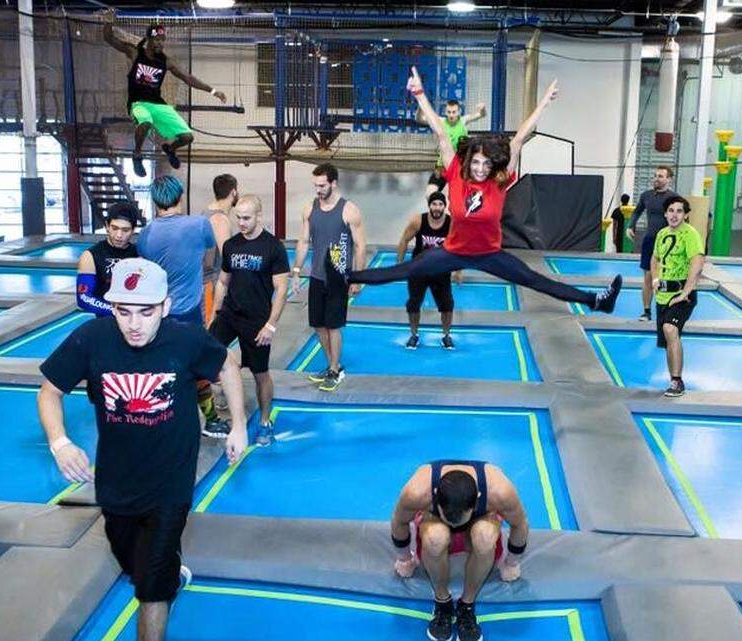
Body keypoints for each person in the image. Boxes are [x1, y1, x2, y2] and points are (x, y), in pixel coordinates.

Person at [38, 258, 247, 641]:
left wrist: (239, 426)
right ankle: (168, 570)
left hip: (170, 482)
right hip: (116, 480)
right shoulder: (91, 339)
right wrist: (60, 442)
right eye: (124, 311)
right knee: (132, 561)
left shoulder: (185, 340)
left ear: (165, 307)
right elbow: (50, 391)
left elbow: (228, 366)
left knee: (150, 591)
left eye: (145, 312)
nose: (134, 324)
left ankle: (162, 577)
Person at [333, 67, 622, 315]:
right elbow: (442, 135)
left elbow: (519, 139)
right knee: (407, 269)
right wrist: (420, 95)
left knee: (536, 280)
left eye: (486, 163)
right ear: (469, 162)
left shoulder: (499, 182)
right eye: (476, 162)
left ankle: (596, 301)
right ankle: (345, 277)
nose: (481, 168)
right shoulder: (457, 178)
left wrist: (544, 102)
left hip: (490, 254)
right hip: (453, 252)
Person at [391, 460, 529, 641]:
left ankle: (467, 605)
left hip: (479, 525)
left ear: (478, 498)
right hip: (434, 525)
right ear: (434, 496)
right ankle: (442, 602)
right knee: (435, 538)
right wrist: (404, 559)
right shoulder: (417, 492)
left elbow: (520, 524)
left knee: (485, 536)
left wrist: (512, 562)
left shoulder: (500, 492)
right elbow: (399, 521)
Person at [136, 175, 226, 437]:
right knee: (198, 367)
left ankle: (158, 419)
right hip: (188, 312)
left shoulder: (147, 234)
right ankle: (210, 420)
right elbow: (211, 247)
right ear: (181, 197)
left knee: (161, 366)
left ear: (155, 202)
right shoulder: (198, 225)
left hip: (158, 313)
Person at [101, 9, 227, 176]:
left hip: (158, 104)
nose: (161, 43)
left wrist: (213, 91)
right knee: (144, 122)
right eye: (157, 40)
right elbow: (109, 38)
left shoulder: (165, 61)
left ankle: (169, 148)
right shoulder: (135, 52)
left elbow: (187, 78)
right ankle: (137, 154)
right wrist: (109, 22)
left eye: (163, 40)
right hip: (138, 103)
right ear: (149, 40)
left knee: (187, 137)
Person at [209, 195, 289, 447]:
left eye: (246, 218)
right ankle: (221, 398)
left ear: (259, 216)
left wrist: (271, 325)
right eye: (238, 218)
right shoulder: (231, 245)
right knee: (206, 354)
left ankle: (265, 422)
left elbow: (282, 289)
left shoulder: (273, 247)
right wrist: (214, 314)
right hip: (230, 315)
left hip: (257, 321)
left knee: (260, 374)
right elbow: (223, 281)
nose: (241, 223)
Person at [290, 163, 367, 392]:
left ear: (334, 183)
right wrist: (296, 271)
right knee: (318, 325)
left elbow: (360, 246)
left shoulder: (349, 210)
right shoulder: (309, 209)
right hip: (316, 276)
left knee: (333, 326)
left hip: (338, 278)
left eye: (322, 185)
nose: (318, 190)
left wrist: (357, 278)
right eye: (315, 185)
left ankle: (334, 369)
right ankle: (332, 364)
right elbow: (303, 241)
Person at [650, 195, 704, 398]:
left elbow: (697, 263)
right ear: (665, 213)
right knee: (667, 338)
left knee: (670, 329)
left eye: (679, 211)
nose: (674, 215)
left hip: (682, 295)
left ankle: (678, 381)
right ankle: (673, 378)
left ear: (686, 215)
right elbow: (654, 258)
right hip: (663, 296)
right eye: (671, 211)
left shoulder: (690, 235)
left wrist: (685, 292)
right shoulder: (662, 234)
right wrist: (655, 280)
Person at [395, 191, 460, 350]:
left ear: (444, 206)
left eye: (440, 204)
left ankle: (446, 335)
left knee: (447, 304)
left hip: (441, 270)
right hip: (419, 269)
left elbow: (459, 247)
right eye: (434, 204)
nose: (437, 208)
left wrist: (458, 271)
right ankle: (414, 335)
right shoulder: (418, 220)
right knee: (413, 303)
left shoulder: (451, 223)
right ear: (429, 205)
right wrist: (399, 264)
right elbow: (404, 239)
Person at [627, 166, 678, 321]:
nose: (656, 178)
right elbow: (637, 211)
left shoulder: (674, 198)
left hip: (668, 243)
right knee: (648, 277)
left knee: (667, 278)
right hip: (650, 241)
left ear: (669, 179)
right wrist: (631, 225)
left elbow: (683, 220)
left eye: (661, 176)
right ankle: (647, 312)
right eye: (655, 175)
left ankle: (667, 310)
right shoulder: (646, 196)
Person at [77, 201, 141, 317]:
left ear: (133, 230)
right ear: (107, 226)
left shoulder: (140, 255)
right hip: (105, 322)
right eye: (114, 228)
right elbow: (83, 297)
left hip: (135, 322)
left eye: (125, 230)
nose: (119, 235)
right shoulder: (90, 256)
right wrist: (115, 311)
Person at [420, 99, 487, 196]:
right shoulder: (441, 121)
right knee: (430, 193)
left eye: (454, 112)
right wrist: (419, 108)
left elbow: (482, 114)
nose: (451, 115)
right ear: (445, 112)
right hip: (442, 166)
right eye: (449, 112)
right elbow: (420, 119)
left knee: (456, 195)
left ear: (459, 112)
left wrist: (483, 108)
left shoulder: (463, 120)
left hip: (459, 167)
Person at [202, 174, 239, 323]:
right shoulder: (219, 219)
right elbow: (228, 258)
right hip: (212, 285)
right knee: (212, 330)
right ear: (234, 192)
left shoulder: (206, 213)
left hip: (206, 283)